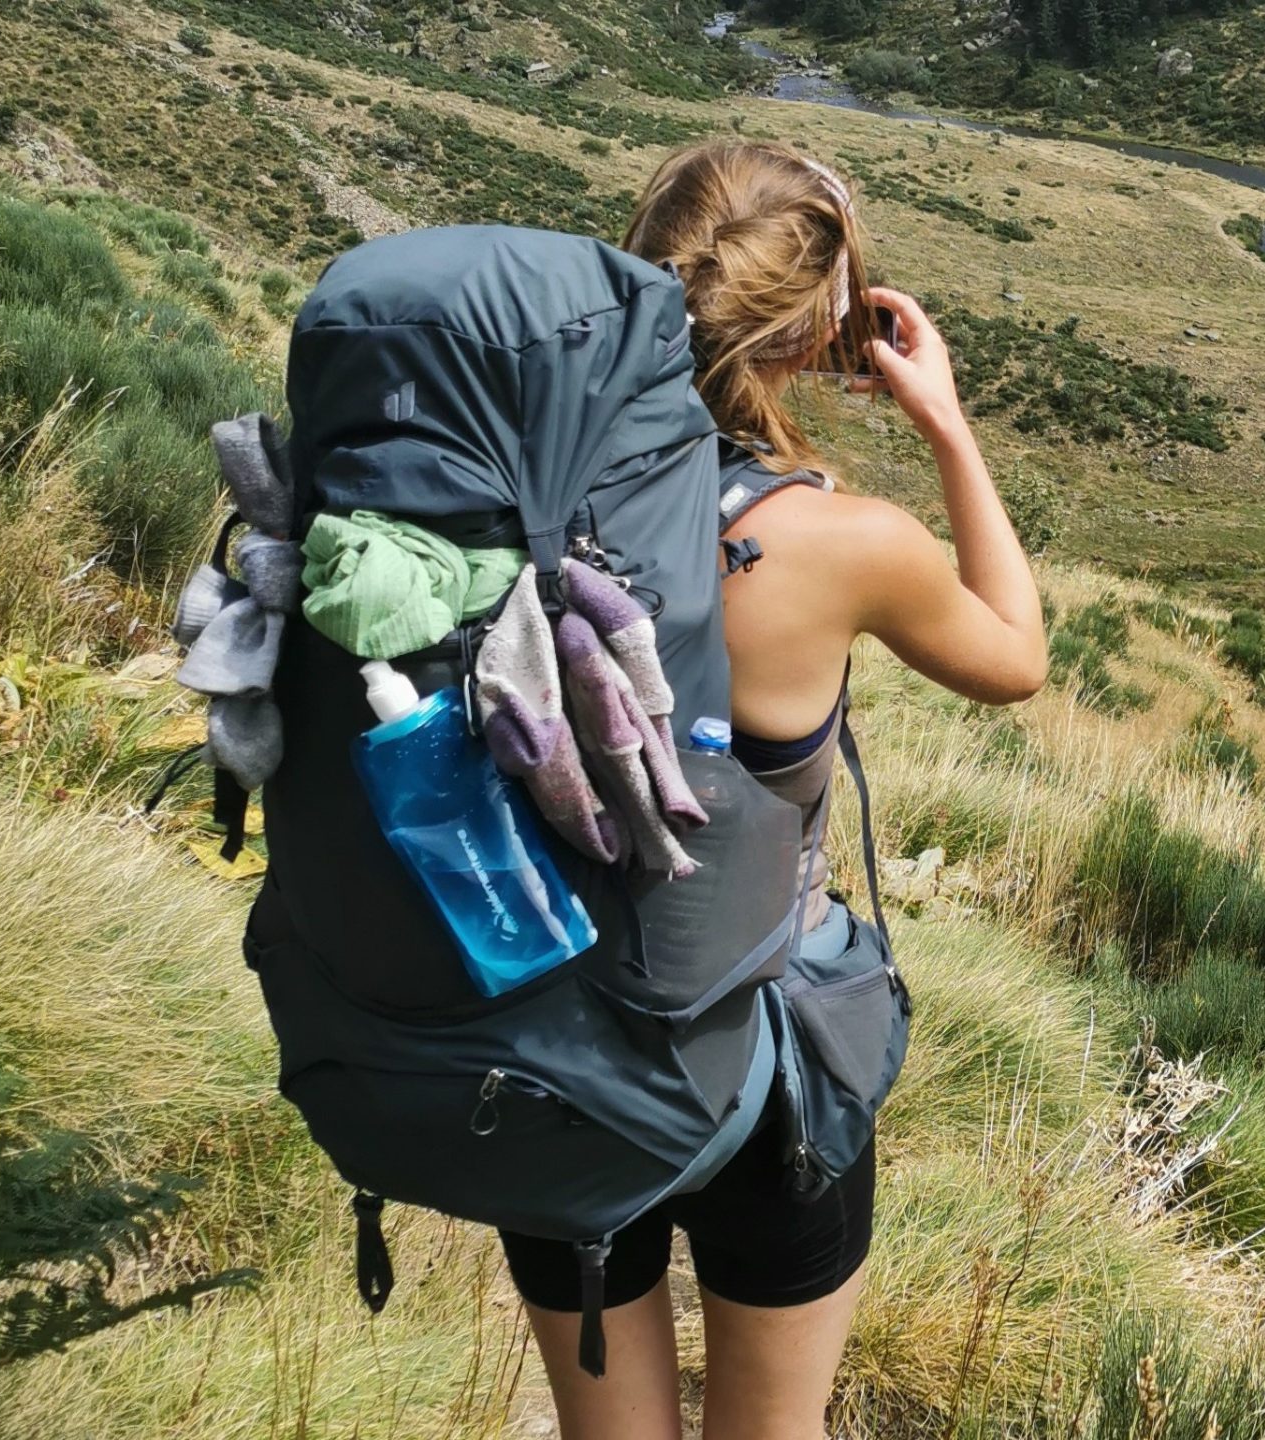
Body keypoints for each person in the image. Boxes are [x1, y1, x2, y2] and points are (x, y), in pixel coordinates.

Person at [499, 138, 1047, 1439]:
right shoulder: (839, 544)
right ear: (818, 335)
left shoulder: (513, 488)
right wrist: (946, 421)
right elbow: (1015, 658)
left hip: (546, 1042)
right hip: (760, 1066)